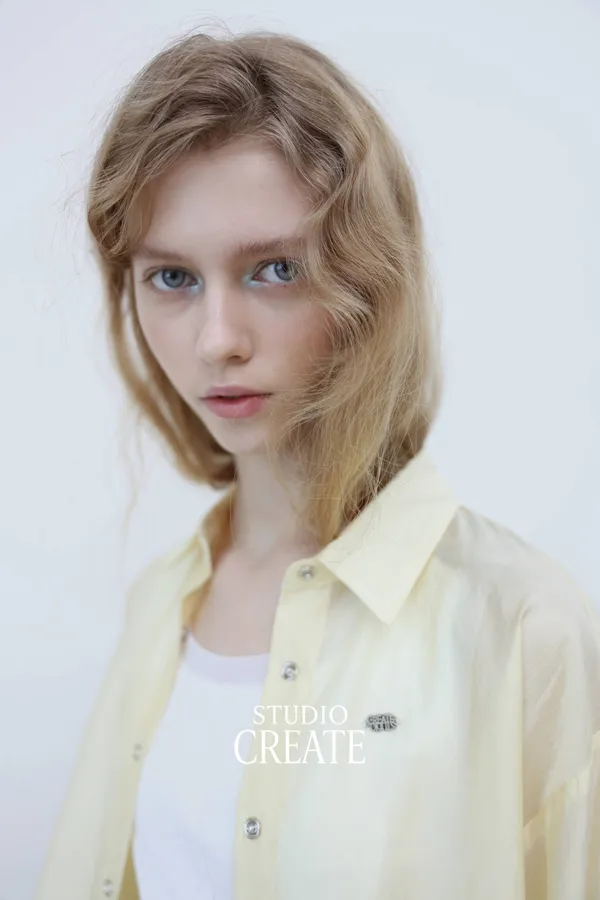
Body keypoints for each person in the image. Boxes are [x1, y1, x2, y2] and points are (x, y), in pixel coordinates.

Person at [35, 24, 599, 900]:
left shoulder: (523, 628)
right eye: (172, 278)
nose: (217, 341)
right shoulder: (158, 607)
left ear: (370, 282)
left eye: (275, 269)